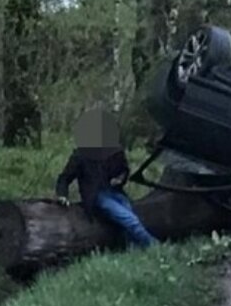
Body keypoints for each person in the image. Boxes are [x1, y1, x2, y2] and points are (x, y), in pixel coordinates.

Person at [55, 105, 158, 249]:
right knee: (131, 220)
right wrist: (62, 195)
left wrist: (120, 178)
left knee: (129, 222)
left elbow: (123, 170)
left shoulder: (114, 150)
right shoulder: (81, 154)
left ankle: (132, 251)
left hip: (115, 192)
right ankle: (157, 248)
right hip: (97, 196)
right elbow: (65, 177)